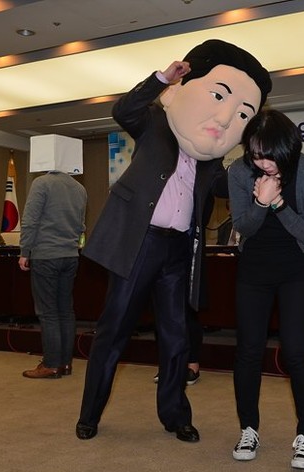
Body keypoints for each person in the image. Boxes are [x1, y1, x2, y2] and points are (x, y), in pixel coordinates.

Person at [76, 39, 271, 443]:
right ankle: (90, 414)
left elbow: (224, 187)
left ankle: (176, 415)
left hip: (179, 250)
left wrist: (262, 170)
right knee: (113, 331)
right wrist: (163, 79)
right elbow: (123, 109)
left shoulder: (211, 157)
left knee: (176, 336)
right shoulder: (154, 124)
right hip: (140, 242)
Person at [228, 109, 304, 469]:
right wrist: (258, 203)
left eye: (269, 156)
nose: (262, 163)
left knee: (297, 351)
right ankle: (248, 429)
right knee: (248, 351)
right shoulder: (239, 172)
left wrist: (278, 203)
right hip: (253, 270)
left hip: (296, 270)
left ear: (288, 148)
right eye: (255, 155)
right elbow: (244, 227)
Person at [18, 170, 87, 379]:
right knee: (65, 311)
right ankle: (65, 363)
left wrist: (25, 251)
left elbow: (30, 220)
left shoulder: (42, 183)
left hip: (46, 255)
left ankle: (51, 364)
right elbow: (81, 225)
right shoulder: (79, 188)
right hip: (70, 255)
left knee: (48, 312)